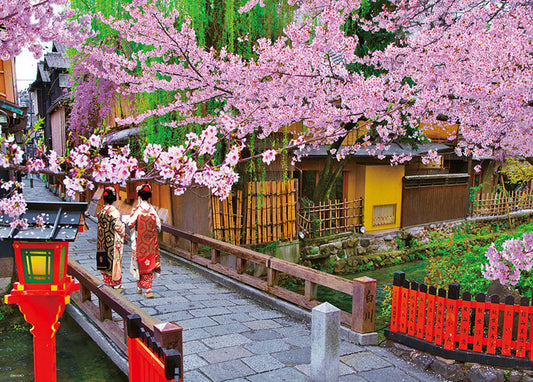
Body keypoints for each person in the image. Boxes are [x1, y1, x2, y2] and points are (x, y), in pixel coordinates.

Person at [128, 183, 161, 298]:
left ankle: (138, 286)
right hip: (151, 242)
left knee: (138, 262)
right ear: (149, 195)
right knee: (149, 262)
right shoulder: (152, 210)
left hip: (139, 241)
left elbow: (130, 224)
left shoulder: (137, 209)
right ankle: (148, 288)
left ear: (140, 196)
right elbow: (158, 226)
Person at [97, 187, 125, 292]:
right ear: (114, 199)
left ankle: (107, 280)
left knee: (104, 259)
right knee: (115, 260)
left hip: (103, 239)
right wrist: (123, 228)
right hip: (113, 240)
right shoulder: (114, 213)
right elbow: (118, 227)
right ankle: (116, 283)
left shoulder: (102, 211)